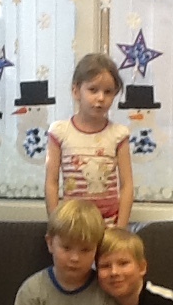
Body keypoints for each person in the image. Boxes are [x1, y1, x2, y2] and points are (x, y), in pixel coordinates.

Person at [45, 53, 133, 227]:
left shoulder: (118, 135)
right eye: (93, 90)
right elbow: (51, 183)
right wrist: (56, 224)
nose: (101, 98)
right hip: (72, 225)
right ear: (76, 91)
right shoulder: (60, 132)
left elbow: (127, 185)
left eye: (108, 92)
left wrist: (121, 228)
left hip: (109, 224)